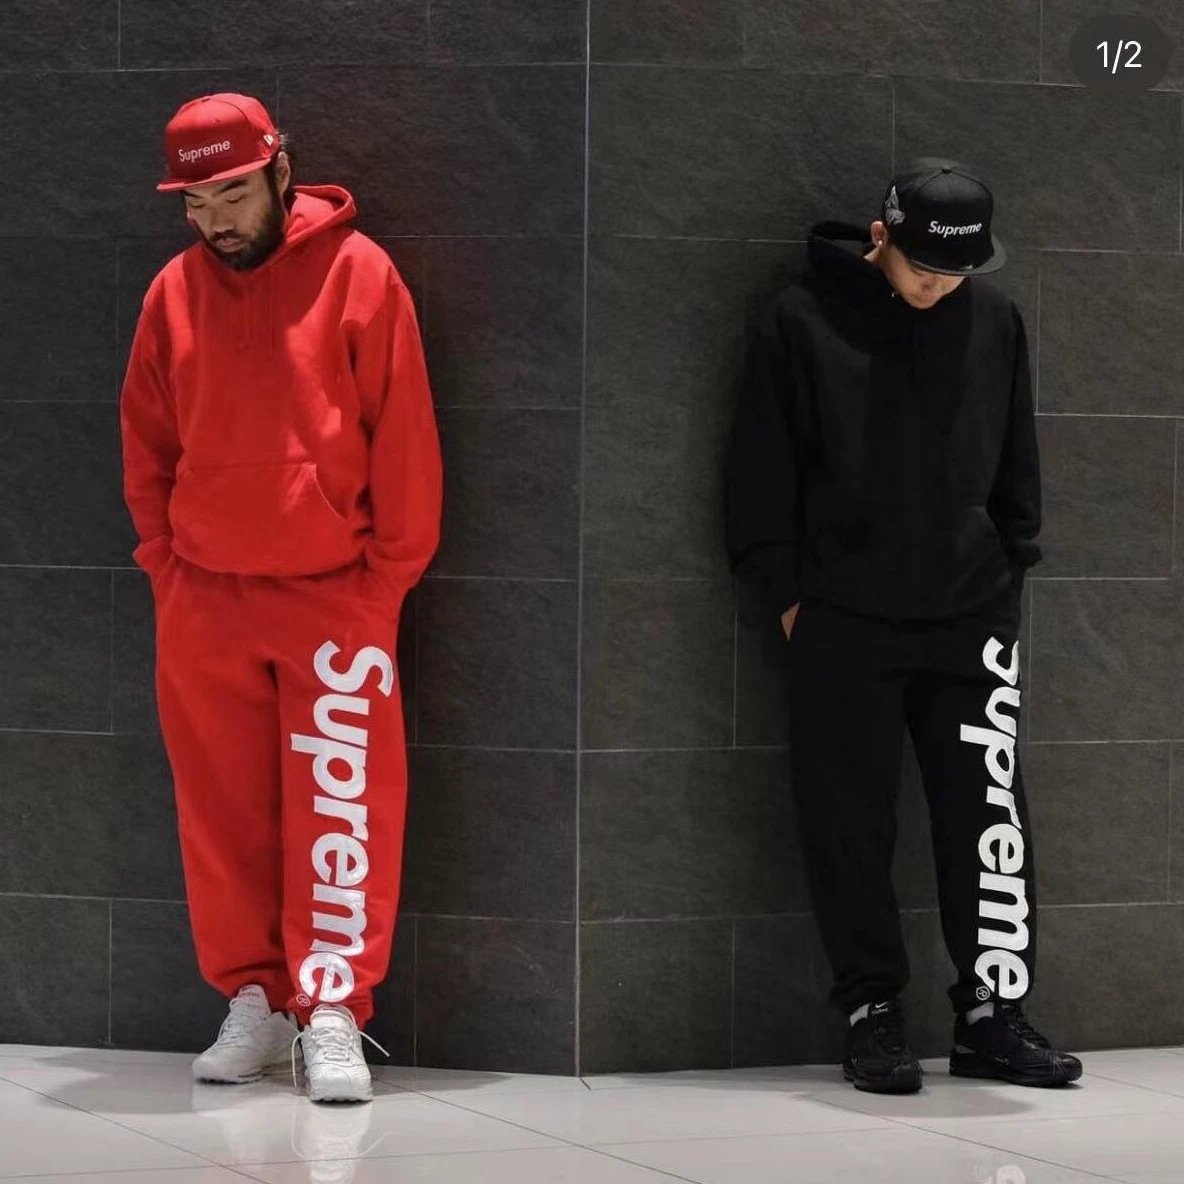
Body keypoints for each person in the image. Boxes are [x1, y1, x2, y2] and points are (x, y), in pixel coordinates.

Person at [725, 158, 1082, 1094]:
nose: (940, 288)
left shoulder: (995, 320)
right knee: (847, 820)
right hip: (844, 615)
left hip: (972, 613)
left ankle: (993, 1013)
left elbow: (1017, 462)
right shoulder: (801, 320)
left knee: (989, 814)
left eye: (958, 273)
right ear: (881, 238)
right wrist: (791, 594)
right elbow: (760, 467)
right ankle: (872, 1012)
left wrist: (1009, 568)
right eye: (925, 269)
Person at [120, 93, 442, 1104]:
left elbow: (403, 434)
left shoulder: (360, 273)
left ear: (279, 172)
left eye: (231, 193)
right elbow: (147, 441)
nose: (215, 218)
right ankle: (254, 999)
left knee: (342, 806)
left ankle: (332, 1007)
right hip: (204, 596)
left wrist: (384, 580)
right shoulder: (172, 292)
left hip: (334, 596)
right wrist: (166, 563)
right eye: (195, 201)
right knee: (221, 814)